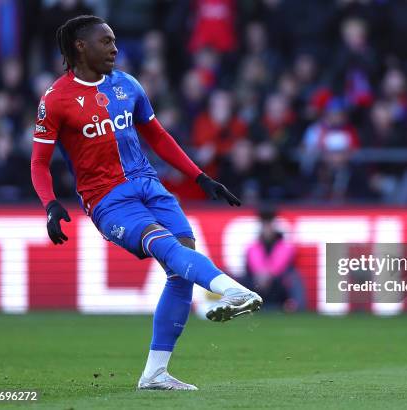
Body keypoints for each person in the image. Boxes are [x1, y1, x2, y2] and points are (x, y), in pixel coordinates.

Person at [29, 15, 262, 391]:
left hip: (148, 185)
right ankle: (231, 289)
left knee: (182, 258)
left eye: (115, 40)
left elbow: (158, 136)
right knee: (167, 248)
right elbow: (39, 162)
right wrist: (51, 204)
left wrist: (200, 176)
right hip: (107, 199)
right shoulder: (56, 100)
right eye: (106, 41)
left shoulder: (127, 85)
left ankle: (155, 373)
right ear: (80, 47)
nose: (115, 48)